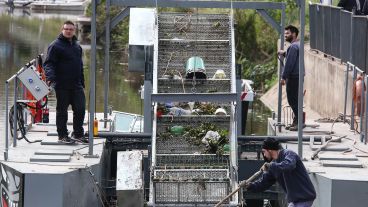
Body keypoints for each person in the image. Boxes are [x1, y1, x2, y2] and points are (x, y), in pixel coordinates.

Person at [44, 20, 88, 144]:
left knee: (80, 109)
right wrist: (50, 77)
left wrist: (82, 82)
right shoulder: (55, 45)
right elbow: (48, 64)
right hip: (62, 84)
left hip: (76, 85)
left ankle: (77, 134)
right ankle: (62, 135)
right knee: (62, 111)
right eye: (66, 29)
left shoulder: (76, 46)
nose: (68, 31)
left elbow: (79, 65)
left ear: (74, 31)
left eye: (71, 29)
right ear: (62, 30)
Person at [240, 138, 316, 207]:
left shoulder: (289, 154)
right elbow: (263, 183)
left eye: (264, 152)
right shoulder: (273, 165)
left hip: (305, 197)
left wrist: (270, 166)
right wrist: (249, 185)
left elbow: (288, 165)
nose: (264, 155)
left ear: (269, 150)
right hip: (295, 200)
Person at [278, 25, 301, 131]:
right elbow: (293, 57)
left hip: (293, 77)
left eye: (287, 33)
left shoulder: (293, 47)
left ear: (294, 34)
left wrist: (283, 77)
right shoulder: (297, 46)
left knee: (292, 100)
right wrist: (285, 53)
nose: (285, 35)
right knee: (295, 100)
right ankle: (297, 121)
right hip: (298, 76)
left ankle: (299, 122)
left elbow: (289, 64)